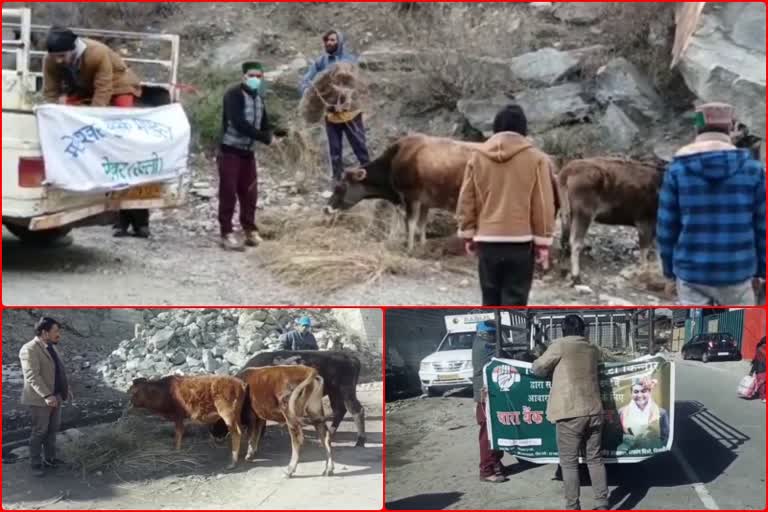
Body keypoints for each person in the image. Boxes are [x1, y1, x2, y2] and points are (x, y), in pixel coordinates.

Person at [43, 26, 151, 239]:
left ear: (73, 50)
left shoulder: (97, 53)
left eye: (62, 56)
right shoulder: (51, 60)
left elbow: (104, 91)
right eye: (54, 57)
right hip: (86, 91)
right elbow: (50, 92)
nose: (58, 61)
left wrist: (92, 126)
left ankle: (138, 219)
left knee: (124, 147)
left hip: (118, 87)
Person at [657, 102, 766, 306]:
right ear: (731, 129)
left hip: (692, 273)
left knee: (698, 334)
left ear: (697, 128)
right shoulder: (753, 170)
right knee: (741, 333)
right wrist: (762, 271)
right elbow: (762, 227)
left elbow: (666, 229)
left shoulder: (677, 170)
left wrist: (669, 273)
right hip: (738, 272)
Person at [456, 104, 557, 306]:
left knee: (490, 300)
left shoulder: (476, 157)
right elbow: (544, 203)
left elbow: (467, 199)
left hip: (486, 242)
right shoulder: (538, 159)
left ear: (495, 128)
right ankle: (512, 337)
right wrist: (543, 241)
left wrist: (468, 232)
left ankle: (491, 337)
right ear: (523, 129)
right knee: (515, 301)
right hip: (521, 244)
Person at [532, 314, 608, 511]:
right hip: (594, 410)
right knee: (595, 459)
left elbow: (538, 367)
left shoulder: (560, 345)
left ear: (563, 330)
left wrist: (549, 370)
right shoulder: (592, 347)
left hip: (570, 411)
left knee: (569, 463)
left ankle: (573, 506)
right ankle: (602, 503)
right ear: (582, 330)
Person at [299, 30, 370, 182]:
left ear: (340, 42)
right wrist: (309, 93)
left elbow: (357, 85)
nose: (329, 43)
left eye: (333, 40)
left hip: (351, 114)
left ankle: (370, 179)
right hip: (331, 115)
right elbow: (306, 81)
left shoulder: (350, 60)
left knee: (360, 148)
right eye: (327, 40)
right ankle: (337, 183)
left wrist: (347, 100)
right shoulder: (321, 62)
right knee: (335, 152)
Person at [218, 61, 275, 251]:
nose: (255, 79)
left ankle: (250, 230)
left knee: (249, 193)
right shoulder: (233, 95)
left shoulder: (259, 98)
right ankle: (226, 232)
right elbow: (239, 123)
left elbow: (264, 123)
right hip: (230, 151)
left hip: (248, 153)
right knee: (228, 192)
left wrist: (273, 134)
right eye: (252, 75)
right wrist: (264, 138)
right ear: (244, 76)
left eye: (259, 76)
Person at [19, 317, 71, 477]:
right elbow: (32, 376)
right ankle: (35, 463)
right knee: (40, 431)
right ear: (44, 332)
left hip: (56, 396)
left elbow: (58, 370)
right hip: (41, 399)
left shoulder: (50, 347)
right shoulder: (29, 349)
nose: (59, 335)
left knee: (52, 430)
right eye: (55, 331)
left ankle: (50, 459)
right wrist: (47, 395)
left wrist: (65, 389)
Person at [472, 320, 510, 483]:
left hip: (488, 392)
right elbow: (503, 356)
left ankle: (495, 463)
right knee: (488, 433)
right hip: (485, 393)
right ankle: (486, 471)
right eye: (494, 334)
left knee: (495, 429)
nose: (495, 337)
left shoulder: (481, 341)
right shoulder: (484, 345)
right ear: (487, 334)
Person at [617, 378, 670, 451]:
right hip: (629, 454)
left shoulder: (661, 413)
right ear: (631, 394)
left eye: (643, 391)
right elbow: (617, 435)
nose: (639, 395)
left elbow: (665, 438)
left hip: (653, 453)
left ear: (649, 392)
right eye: (636, 392)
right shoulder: (622, 412)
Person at [750, 337, 766, 403]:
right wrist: (751, 371)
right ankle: (763, 397)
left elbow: (755, 361)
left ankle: (762, 395)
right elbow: (756, 361)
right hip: (761, 369)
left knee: (763, 384)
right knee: (762, 384)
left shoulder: (759, 349)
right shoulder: (760, 350)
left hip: (761, 369)